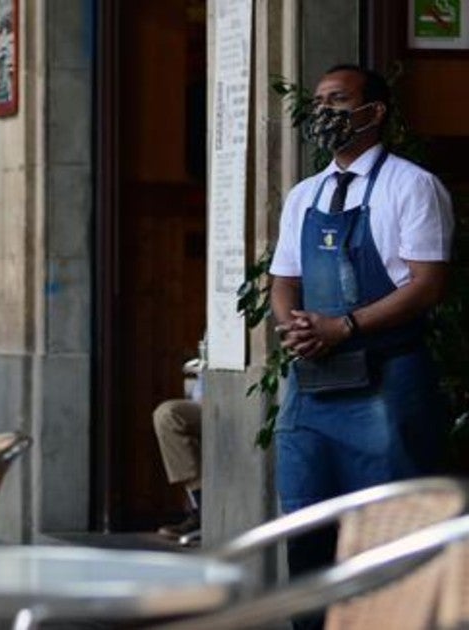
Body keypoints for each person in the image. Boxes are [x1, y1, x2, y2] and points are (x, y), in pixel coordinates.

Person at [269, 64, 455, 627]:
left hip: (389, 380)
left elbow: (427, 283)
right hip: (314, 385)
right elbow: (283, 280)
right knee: (307, 529)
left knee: (392, 534)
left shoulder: (412, 185)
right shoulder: (305, 194)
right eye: (319, 100)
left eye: (338, 100)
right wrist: (296, 329)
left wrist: (345, 328)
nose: (324, 111)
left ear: (374, 111)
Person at [152, 352, 204, 543]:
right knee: (168, 416)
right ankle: (202, 507)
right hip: (205, 400)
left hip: (237, 395)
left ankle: (202, 512)